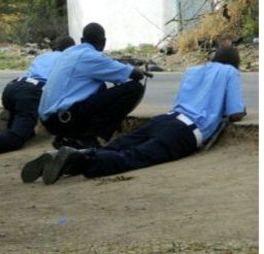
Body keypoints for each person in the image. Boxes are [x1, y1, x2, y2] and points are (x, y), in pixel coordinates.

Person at [22, 46, 246, 184]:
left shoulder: (193, 71)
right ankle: (80, 158)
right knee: (135, 157)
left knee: (120, 146)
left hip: (165, 119)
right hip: (185, 131)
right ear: (234, 63)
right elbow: (235, 113)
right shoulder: (229, 71)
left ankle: (70, 157)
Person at [37, 22, 151, 150]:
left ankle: (69, 137)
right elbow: (135, 75)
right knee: (133, 89)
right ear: (104, 41)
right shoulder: (90, 57)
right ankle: (91, 138)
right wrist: (137, 69)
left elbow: (104, 66)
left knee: (99, 86)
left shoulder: (69, 53)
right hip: (63, 120)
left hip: (51, 120)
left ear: (81, 40)